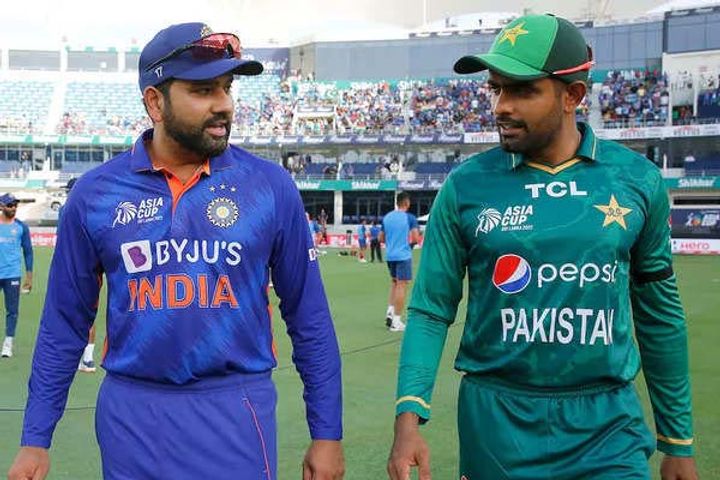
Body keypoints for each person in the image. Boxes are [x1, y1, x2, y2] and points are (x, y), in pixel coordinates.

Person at [9, 22, 344, 480]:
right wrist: (35, 439)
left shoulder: (269, 187)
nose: (223, 104)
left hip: (234, 412)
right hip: (130, 418)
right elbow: (64, 324)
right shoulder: (94, 195)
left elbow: (309, 318)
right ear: (155, 103)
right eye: (203, 90)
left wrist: (327, 433)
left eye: (226, 88)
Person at [388, 14, 697, 480]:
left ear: (573, 95)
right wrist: (409, 417)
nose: (501, 106)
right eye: (496, 89)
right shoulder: (465, 186)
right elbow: (431, 309)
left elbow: (659, 316)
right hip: (497, 427)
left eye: (522, 90)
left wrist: (678, 443)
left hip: (607, 429)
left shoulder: (637, 181)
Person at [380, 192, 419, 332]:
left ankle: (390, 311)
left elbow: (381, 238)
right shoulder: (410, 218)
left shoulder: (387, 217)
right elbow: (415, 238)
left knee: (395, 283)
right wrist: (409, 246)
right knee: (402, 285)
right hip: (403, 255)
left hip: (390, 255)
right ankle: (396, 321)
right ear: (407, 203)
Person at [0, 193, 33, 358]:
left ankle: (8, 343)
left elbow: (28, 252)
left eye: (15, 205)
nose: (13, 208)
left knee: (12, 310)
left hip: (12, 274)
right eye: (9, 205)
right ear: (1, 206)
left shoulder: (21, 227)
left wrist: (29, 276)